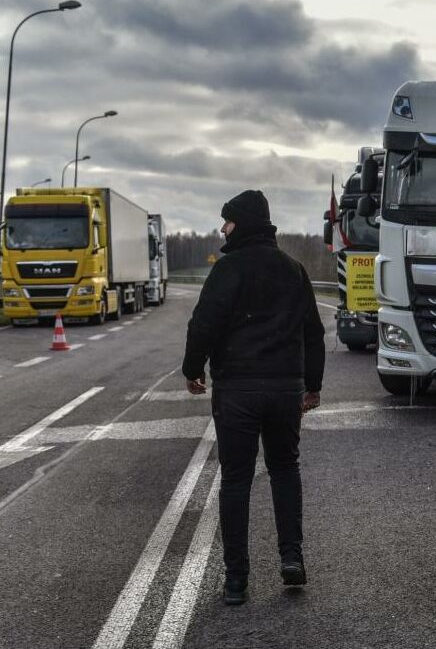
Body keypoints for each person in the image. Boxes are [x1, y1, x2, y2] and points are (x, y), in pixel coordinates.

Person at [182, 189, 325, 605]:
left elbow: (204, 323)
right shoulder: (293, 269)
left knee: (236, 480)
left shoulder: (228, 269)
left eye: (227, 221)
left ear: (241, 223)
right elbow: (313, 332)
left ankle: (236, 580)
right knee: (285, 469)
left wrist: (193, 369)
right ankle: (292, 558)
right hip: (284, 389)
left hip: (238, 391)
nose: (223, 229)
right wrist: (312, 384)